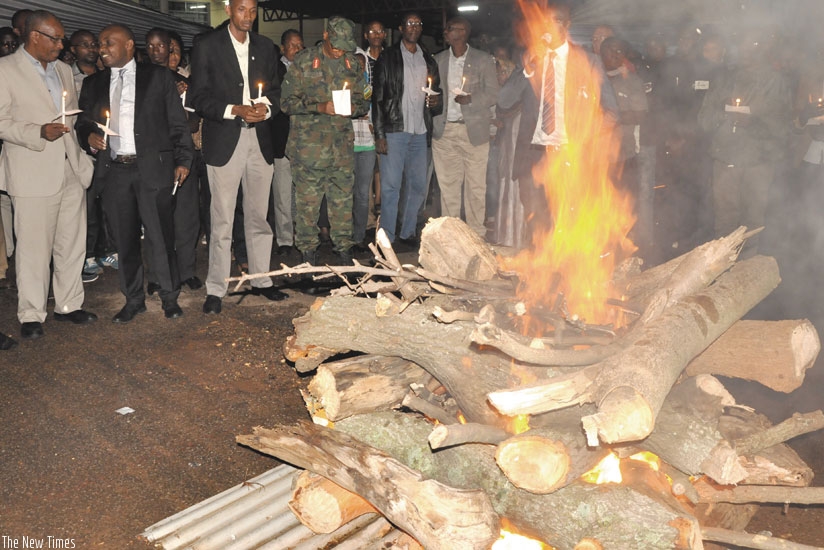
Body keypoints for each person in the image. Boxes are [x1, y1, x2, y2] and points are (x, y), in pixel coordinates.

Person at [76, 23, 194, 322]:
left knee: (160, 236)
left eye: (108, 42)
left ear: (129, 45)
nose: (102, 48)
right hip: (115, 171)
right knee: (124, 240)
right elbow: (83, 123)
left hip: (153, 169)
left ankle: (169, 296)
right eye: (100, 43)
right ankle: (133, 299)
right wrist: (89, 137)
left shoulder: (157, 77)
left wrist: (183, 160)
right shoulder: (94, 83)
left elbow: (177, 122)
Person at [0, 10, 97, 340]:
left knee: (71, 244)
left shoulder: (63, 69)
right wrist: (37, 132)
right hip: (32, 170)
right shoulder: (5, 69)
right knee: (33, 249)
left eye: (62, 39)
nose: (61, 45)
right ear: (34, 36)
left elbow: (72, 117)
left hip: (70, 167)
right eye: (55, 39)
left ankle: (69, 304)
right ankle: (31, 313)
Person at [188, 0, 287, 315]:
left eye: (253, 10)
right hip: (225, 140)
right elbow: (197, 97)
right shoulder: (207, 46)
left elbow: (276, 91)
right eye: (242, 9)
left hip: (260, 140)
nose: (249, 16)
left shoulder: (265, 47)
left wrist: (265, 109)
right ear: (229, 8)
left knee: (259, 216)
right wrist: (235, 110)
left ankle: (260, 280)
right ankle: (216, 287)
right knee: (222, 219)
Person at [497, 0, 618, 244]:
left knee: (568, 225)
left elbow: (612, 112)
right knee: (536, 227)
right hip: (533, 155)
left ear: (567, 25)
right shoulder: (530, 59)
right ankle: (536, 268)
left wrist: (586, 138)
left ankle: (570, 268)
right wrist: (528, 70)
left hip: (570, 155)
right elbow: (504, 102)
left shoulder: (588, 61)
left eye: (557, 21)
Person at [281, 16, 369, 266]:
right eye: (336, 44)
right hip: (308, 150)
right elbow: (286, 103)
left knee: (342, 204)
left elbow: (364, 101)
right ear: (326, 35)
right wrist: (320, 107)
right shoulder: (304, 61)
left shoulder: (352, 64)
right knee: (307, 209)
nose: (340, 50)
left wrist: (353, 108)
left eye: (345, 45)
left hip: (341, 149)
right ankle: (307, 257)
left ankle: (344, 253)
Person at [697, 28, 792, 256]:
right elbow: (703, 120)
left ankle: (748, 267)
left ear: (764, 48)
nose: (748, 51)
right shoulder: (724, 79)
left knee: (753, 218)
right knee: (725, 218)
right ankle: (721, 265)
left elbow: (784, 126)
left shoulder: (775, 82)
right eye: (744, 45)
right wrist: (724, 114)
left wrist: (753, 123)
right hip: (725, 158)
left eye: (755, 45)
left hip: (759, 161)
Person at [372, 13, 442, 244]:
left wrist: (436, 101)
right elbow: (378, 97)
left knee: (419, 186)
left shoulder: (428, 60)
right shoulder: (388, 57)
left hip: (420, 132)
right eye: (410, 23)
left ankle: (408, 232)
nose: (414, 27)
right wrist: (380, 134)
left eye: (418, 24)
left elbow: (437, 93)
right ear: (401, 28)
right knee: (391, 187)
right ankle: (387, 237)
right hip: (395, 130)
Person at [144, 27, 202, 293]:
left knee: (187, 217)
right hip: (154, 158)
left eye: (166, 47)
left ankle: (186, 271)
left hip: (182, 155)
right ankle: (157, 276)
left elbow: (193, 121)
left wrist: (179, 103)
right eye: (152, 46)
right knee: (155, 220)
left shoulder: (185, 83)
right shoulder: (141, 80)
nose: (160, 52)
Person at [431, 16, 499, 238]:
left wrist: (471, 99)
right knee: (448, 188)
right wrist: (432, 99)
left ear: (463, 32)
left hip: (474, 132)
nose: (445, 32)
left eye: (450, 28)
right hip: (445, 132)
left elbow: (493, 94)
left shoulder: (483, 59)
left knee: (476, 187)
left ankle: (476, 235)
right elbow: (432, 89)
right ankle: (451, 237)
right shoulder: (438, 59)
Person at [271, 28, 303, 256]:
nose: (297, 49)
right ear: (283, 48)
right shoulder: (275, 70)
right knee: (283, 193)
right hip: (282, 140)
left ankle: (303, 236)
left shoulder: (309, 69)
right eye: (293, 45)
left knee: (302, 194)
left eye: (300, 45)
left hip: (305, 142)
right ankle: (284, 239)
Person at [351, 47, 377, 248]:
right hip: (348, 143)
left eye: (362, 64)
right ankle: (344, 235)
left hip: (367, 144)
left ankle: (358, 236)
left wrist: (374, 123)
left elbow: (377, 110)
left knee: (362, 193)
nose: (359, 68)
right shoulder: (344, 85)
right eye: (355, 64)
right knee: (345, 192)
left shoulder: (370, 88)